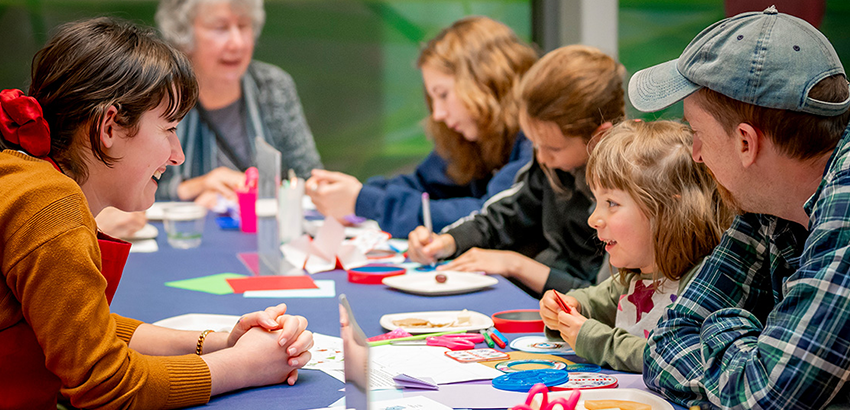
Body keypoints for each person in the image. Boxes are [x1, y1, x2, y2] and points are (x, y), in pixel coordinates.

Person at [0, 18, 313, 409]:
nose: (177, 154)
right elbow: (105, 385)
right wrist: (245, 364)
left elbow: (77, 330)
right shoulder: (50, 204)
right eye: (168, 129)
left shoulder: (29, 182)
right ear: (108, 126)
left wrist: (219, 341)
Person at [629, 7, 850, 409]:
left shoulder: (846, 205)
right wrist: (748, 356)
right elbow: (664, 345)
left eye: (697, 133)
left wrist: (725, 328)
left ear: (747, 143)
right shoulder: (769, 196)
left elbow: (765, 396)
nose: (695, 154)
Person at [408, 45, 625, 297]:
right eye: (536, 144)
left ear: (600, 137)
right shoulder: (556, 165)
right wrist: (447, 242)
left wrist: (516, 265)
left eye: (553, 148)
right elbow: (506, 215)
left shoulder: (629, 196)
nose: (542, 158)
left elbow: (606, 301)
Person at [305, 16, 536, 238]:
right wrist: (353, 193)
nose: (438, 113)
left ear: (486, 81)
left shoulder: (535, 139)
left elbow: (487, 217)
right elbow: (423, 185)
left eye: (443, 95)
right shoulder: (472, 137)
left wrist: (365, 201)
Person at [538, 120, 732, 372]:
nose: (593, 219)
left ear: (665, 210)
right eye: (597, 201)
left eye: (611, 203)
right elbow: (593, 300)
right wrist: (568, 305)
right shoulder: (636, 274)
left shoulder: (701, 283)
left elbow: (665, 357)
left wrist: (593, 340)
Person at [155, 0, 322, 207]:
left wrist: (272, 193)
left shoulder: (272, 86)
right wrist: (194, 188)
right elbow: (132, 192)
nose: (237, 43)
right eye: (220, 28)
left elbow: (309, 177)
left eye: (243, 26)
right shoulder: (159, 94)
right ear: (183, 35)